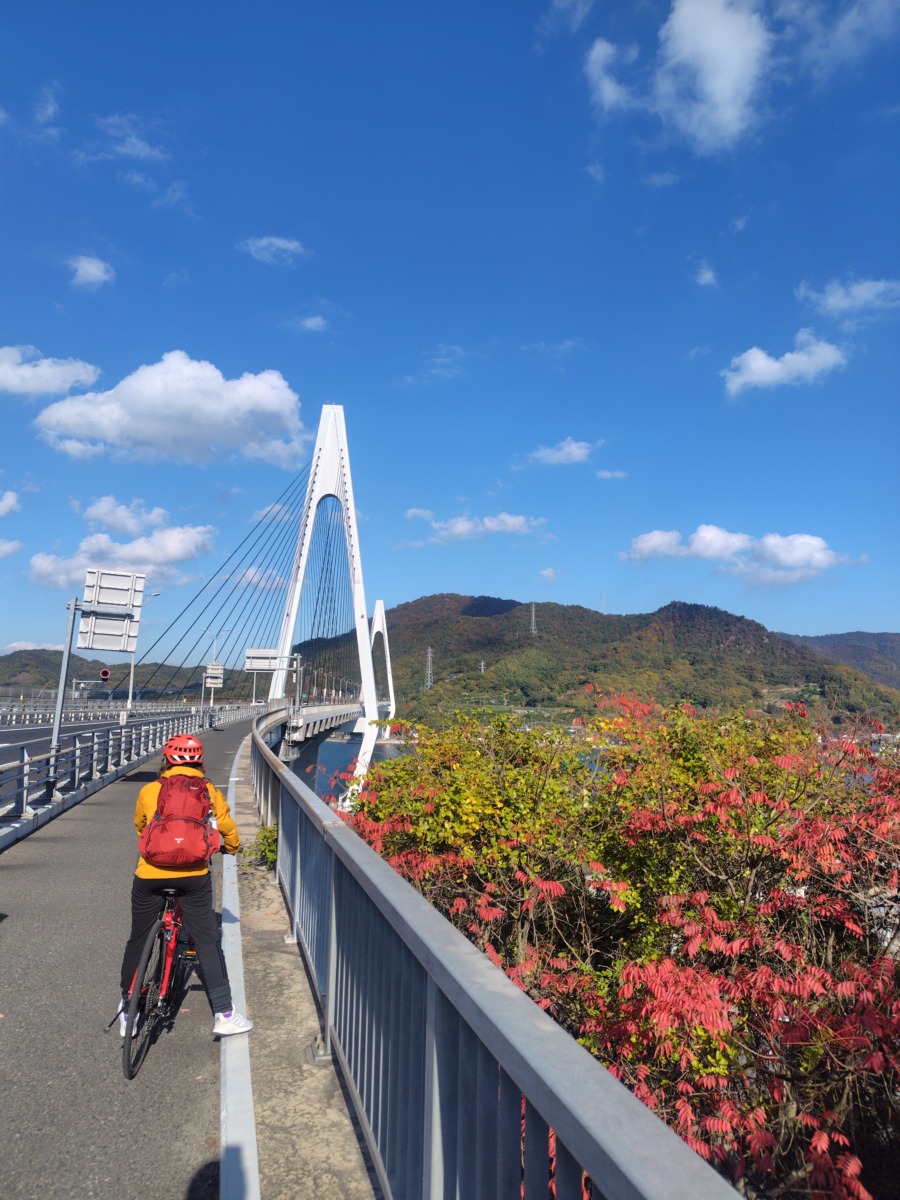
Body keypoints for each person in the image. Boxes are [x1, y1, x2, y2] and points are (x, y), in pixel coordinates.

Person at [118, 733, 253, 1038]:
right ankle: (225, 1014)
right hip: (193, 876)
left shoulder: (150, 790)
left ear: (165, 760)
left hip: (150, 875)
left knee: (138, 941)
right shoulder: (207, 790)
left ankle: (129, 1010)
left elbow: (141, 826)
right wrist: (231, 846)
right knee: (206, 941)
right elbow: (227, 826)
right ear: (200, 760)